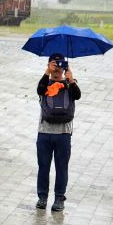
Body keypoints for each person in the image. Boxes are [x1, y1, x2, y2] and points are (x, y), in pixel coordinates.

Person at [36, 53, 82, 212]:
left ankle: (59, 199)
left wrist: (71, 79)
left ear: (65, 67)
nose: (57, 69)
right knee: (43, 167)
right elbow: (39, 90)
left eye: (60, 65)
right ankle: (42, 197)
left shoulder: (70, 84)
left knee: (62, 168)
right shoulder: (44, 83)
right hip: (44, 133)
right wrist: (46, 72)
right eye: (54, 65)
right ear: (48, 65)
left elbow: (78, 96)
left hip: (63, 134)